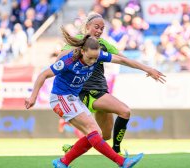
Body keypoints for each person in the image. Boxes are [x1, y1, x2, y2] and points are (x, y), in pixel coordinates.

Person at [25, 28, 166, 168]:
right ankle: (122, 163)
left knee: (96, 134)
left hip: (72, 98)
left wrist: (148, 68)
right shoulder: (68, 61)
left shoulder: (98, 55)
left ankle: (62, 162)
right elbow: (43, 75)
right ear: (83, 51)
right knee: (93, 131)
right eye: (90, 58)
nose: (93, 62)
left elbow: (123, 60)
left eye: (95, 58)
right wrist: (33, 97)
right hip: (60, 98)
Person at [61, 12, 144, 155]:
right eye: (96, 27)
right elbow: (61, 58)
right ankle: (117, 151)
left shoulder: (104, 44)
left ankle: (74, 149)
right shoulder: (79, 40)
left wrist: (147, 69)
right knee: (125, 111)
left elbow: (124, 59)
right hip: (87, 92)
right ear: (87, 27)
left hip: (101, 90)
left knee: (104, 135)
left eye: (102, 28)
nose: (99, 31)